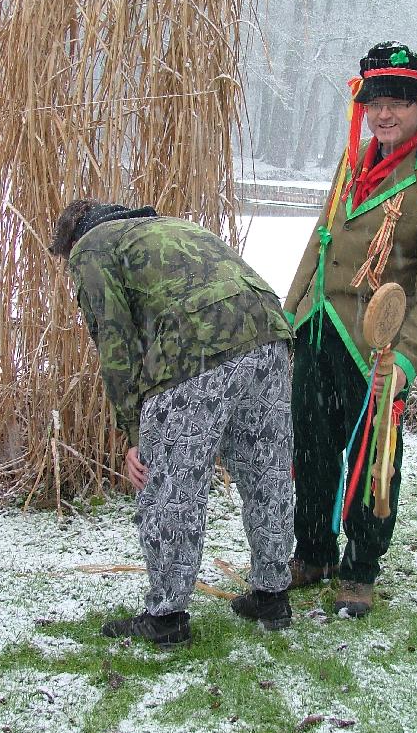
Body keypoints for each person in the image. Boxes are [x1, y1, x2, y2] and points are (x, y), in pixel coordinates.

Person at [49, 201, 295, 648]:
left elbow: (116, 343)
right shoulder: (160, 226)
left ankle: (166, 618)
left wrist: (134, 434)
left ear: (70, 242)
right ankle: (272, 595)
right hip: (266, 327)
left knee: (171, 486)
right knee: (266, 470)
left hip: (197, 343)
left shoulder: (91, 247)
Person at [283, 42, 417, 616]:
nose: (384, 114)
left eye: (398, 103)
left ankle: (360, 570)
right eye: (375, 103)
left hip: (376, 349)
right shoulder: (351, 164)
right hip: (319, 330)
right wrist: (289, 319)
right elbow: (319, 244)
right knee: (311, 450)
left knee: (374, 463)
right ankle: (313, 553)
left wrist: (407, 360)